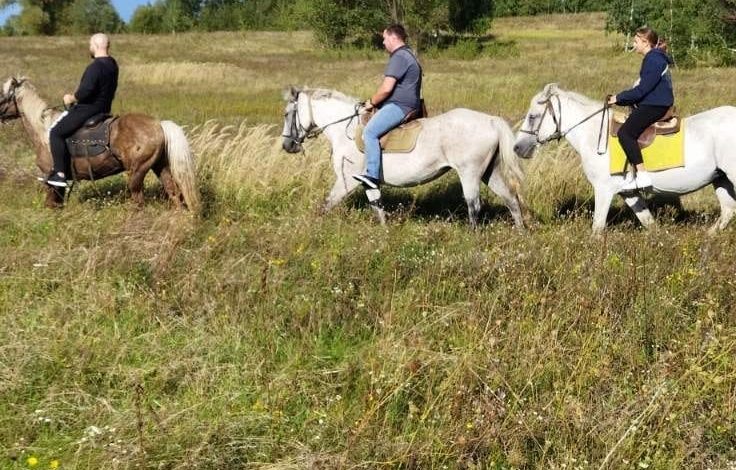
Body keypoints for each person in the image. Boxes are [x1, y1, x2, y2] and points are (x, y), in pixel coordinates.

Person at [42, 33, 119, 188]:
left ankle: (60, 174)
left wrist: (70, 98)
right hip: (104, 109)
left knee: (56, 132)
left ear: (96, 46)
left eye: (90, 45)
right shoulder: (113, 64)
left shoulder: (95, 66)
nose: (89, 47)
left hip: (88, 109)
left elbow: (85, 92)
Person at [352, 24, 422, 189]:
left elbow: (386, 89)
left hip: (400, 106)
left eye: (384, 38)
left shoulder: (399, 57)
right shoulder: (408, 54)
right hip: (406, 103)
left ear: (393, 37)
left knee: (369, 132)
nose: (383, 42)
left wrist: (370, 103)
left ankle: (372, 176)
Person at [608, 26, 674, 192]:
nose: (633, 44)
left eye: (636, 41)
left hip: (655, 105)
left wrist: (619, 98)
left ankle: (643, 176)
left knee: (625, 133)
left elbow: (642, 90)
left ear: (645, 42)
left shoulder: (653, 59)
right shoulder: (655, 57)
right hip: (654, 102)